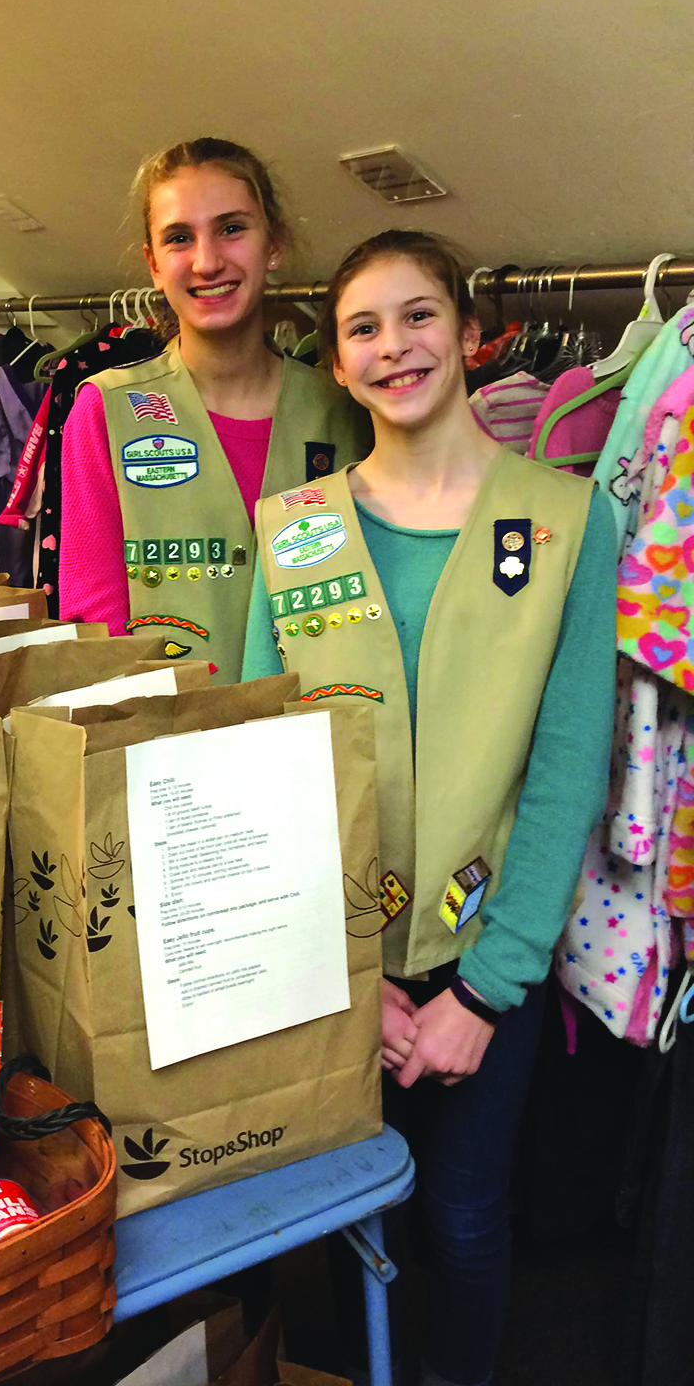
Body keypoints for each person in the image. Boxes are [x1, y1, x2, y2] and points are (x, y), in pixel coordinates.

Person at [243, 229, 616, 1386]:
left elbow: (566, 770)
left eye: (417, 316)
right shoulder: (294, 528)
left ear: (465, 332)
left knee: (459, 1220)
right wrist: (344, 976)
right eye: (364, 328)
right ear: (339, 365)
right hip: (336, 965)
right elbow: (268, 759)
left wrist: (485, 990)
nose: (394, 345)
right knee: (336, 1227)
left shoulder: (562, 520)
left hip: (481, 969)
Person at [60, 137, 368, 683]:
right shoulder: (106, 409)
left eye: (231, 228)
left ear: (273, 244)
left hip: (329, 734)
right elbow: (95, 622)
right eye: (180, 238)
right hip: (170, 745)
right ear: (154, 265)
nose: (207, 261)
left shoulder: (346, 408)